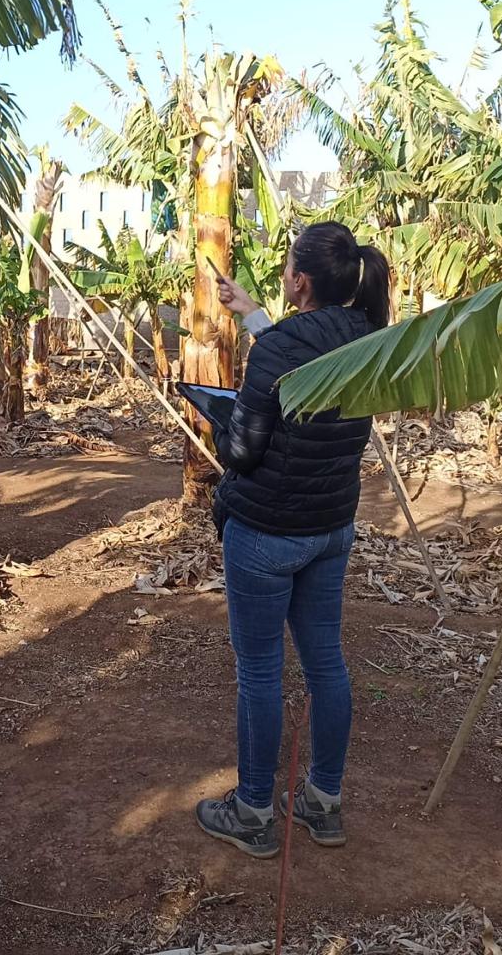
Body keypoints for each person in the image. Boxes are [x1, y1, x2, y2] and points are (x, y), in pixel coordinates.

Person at [194, 220, 391, 857]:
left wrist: (219, 426)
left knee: (259, 673)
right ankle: (322, 803)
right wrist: (251, 313)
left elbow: (246, 450)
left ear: (299, 281)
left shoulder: (279, 349)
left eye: (286, 270)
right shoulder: (367, 335)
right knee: (325, 663)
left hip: (267, 533)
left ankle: (253, 810)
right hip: (330, 529)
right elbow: (297, 354)